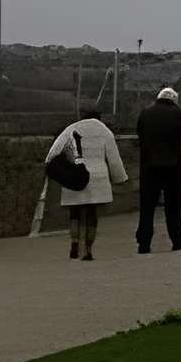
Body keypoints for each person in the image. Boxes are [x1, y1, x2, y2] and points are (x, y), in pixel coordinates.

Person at [42, 111, 128, 262]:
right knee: (92, 215)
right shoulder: (104, 131)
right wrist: (119, 178)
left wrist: (55, 169)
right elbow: (114, 159)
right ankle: (88, 251)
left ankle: (75, 242)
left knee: (74, 213)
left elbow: (54, 153)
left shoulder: (71, 129)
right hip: (97, 178)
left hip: (75, 175)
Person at [133, 85, 181, 253]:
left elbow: (139, 133)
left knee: (147, 206)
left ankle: (144, 242)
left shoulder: (146, 113)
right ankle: (176, 238)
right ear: (174, 100)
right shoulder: (179, 114)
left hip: (149, 167)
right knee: (173, 205)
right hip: (172, 167)